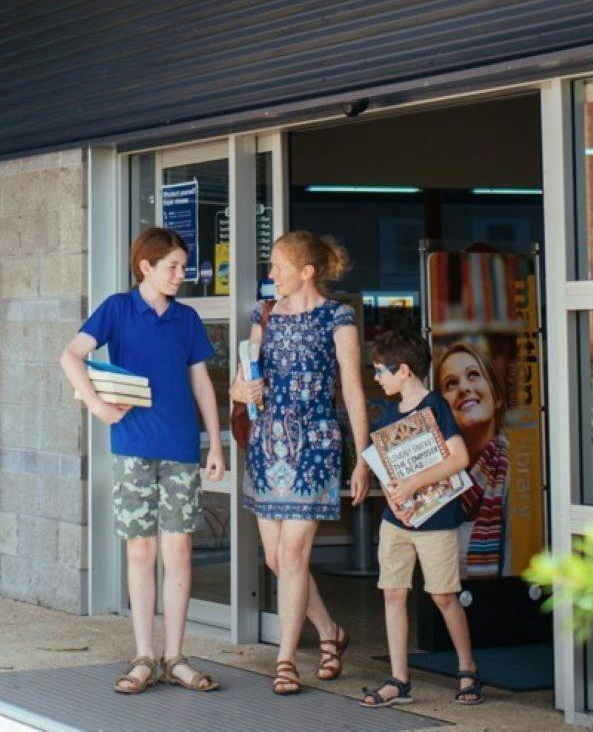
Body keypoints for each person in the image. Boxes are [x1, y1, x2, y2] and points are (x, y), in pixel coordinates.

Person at [60, 227, 226, 695]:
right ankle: (143, 657)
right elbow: (71, 356)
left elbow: (201, 385)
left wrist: (215, 444)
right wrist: (97, 406)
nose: (181, 274)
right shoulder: (117, 308)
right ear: (145, 268)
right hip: (132, 447)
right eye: (172, 266)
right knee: (141, 551)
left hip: (179, 449)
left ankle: (175, 657)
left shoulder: (187, 319)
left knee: (179, 553)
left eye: (182, 266)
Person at [231, 230, 372, 697]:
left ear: (306, 272)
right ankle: (330, 632)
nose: (270, 275)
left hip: (314, 445)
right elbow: (242, 379)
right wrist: (241, 390)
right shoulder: (265, 314)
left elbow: (351, 389)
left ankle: (286, 660)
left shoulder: (338, 317)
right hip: (267, 447)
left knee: (293, 556)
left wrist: (362, 456)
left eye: (278, 267)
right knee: (275, 558)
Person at [361, 327, 483, 709]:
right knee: (393, 592)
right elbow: (386, 463)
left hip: (435, 519)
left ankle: (468, 668)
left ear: (405, 371)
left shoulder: (435, 407)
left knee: (444, 595)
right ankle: (399, 678)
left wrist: (413, 483)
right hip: (398, 519)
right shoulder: (386, 413)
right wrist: (395, 491)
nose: (377, 377)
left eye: (382, 370)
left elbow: (459, 457)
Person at [436, 340, 510, 579]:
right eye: (451, 384)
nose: (464, 388)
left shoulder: (515, 470)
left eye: (473, 375)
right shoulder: (436, 471)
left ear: (497, 397)